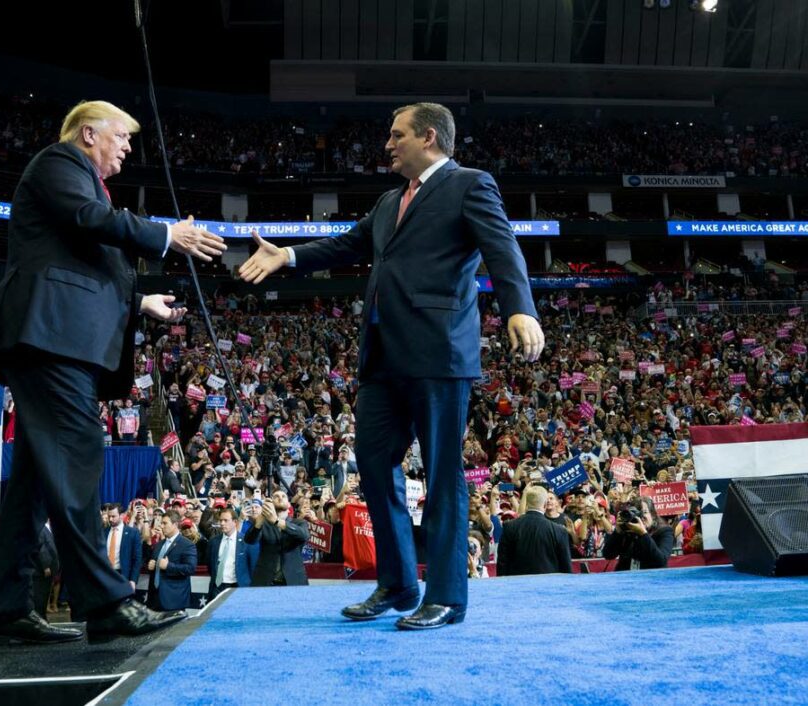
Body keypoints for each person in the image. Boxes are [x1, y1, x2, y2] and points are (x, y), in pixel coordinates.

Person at [240, 102, 543, 630]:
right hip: (381, 357)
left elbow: (503, 247)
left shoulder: (471, 184)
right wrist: (286, 257)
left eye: (395, 135)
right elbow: (346, 245)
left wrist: (519, 308)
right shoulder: (387, 202)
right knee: (375, 468)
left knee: (445, 476)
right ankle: (400, 583)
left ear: (427, 137)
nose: (387, 144)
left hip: (439, 352)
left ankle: (446, 596)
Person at [0, 100, 224, 646]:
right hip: (48, 337)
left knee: (36, 484)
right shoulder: (59, 163)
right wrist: (165, 236)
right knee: (80, 451)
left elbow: (82, 260)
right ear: (89, 134)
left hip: (59, 338)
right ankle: (106, 604)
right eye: (122, 137)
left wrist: (140, 302)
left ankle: (5, 609)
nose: (128, 148)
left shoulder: (88, 185)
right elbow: (91, 222)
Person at [495, 485, 573, 577]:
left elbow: (502, 563)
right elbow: (566, 568)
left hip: (517, 586)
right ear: (545, 504)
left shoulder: (509, 526)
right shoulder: (559, 530)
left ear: (527, 503)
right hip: (549, 586)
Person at [245, 490, 310, 587]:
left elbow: (304, 535)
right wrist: (259, 521)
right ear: (271, 503)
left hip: (293, 580)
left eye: (283, 496)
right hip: (265, 580)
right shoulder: (264, 523)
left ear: (289, 504)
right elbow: (250, 540)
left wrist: (276, 521)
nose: (280, 498)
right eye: (276, 496)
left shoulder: (299, 523)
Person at [603, 496, 674, 570]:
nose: (640, 517)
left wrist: (643, 534)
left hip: (652, 578)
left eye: (644, 512)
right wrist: (618, 531)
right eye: (636, 513)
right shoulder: (627, 529)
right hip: (627, 578)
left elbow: (661, 561)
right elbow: (608, 555)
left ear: (653, 515)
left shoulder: (665, 531)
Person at [146, 511, 197, 612]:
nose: (162, 526)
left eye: (165, 523)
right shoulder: (159, 544)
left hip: (174, 600)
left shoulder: (187, 545)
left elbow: (190, 569)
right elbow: (156, 567)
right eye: (161, 523)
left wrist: (168, 566)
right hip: (155, 599)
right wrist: (151, 566)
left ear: (175, 525)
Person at [207, 507, 254, 598]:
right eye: (220, 520)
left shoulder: (246, 541)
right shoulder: (214, 541)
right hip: (217, 587)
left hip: (238, 586)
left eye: (226, 520)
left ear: (235, 522)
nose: (222, 523)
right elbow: (210, 564)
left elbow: (251, 566)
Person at [105, 504, 142, 591]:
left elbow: (137, 559)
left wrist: (133, 580)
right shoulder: (104, 531)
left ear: (122, 515)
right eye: (109, 516)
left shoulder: (132, 533)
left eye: (113, 516)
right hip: (105, 576)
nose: (110, 519)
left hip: (123, 576)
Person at [31, 521, 59, 620]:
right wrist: (46, 565)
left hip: (45, 570)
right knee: (40, 598)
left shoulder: (44, 528)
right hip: (41, 572)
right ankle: (40, 619)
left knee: (43, 596)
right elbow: (41, 548)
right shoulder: (40, 528)